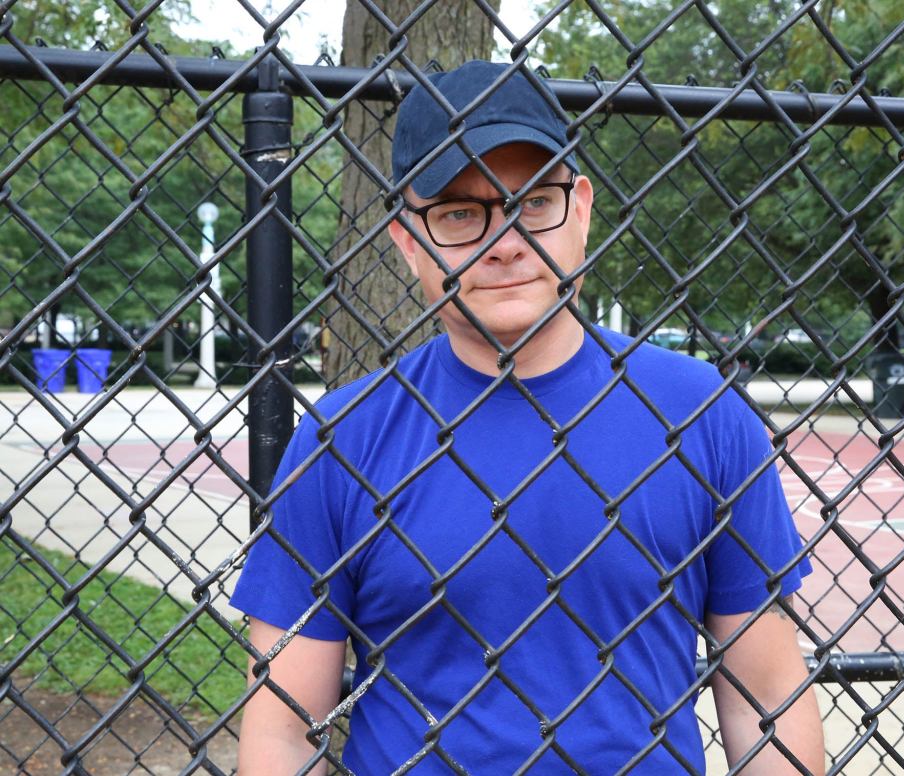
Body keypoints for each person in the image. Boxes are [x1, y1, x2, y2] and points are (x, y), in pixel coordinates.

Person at [231, 60, 825, 775]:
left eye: (532, 203)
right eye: (459, 213)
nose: (505, 241)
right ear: (407, 241)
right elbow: (284, 732)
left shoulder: (701, 414)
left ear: (580, 209)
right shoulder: (342, 440)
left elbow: (764, 694)